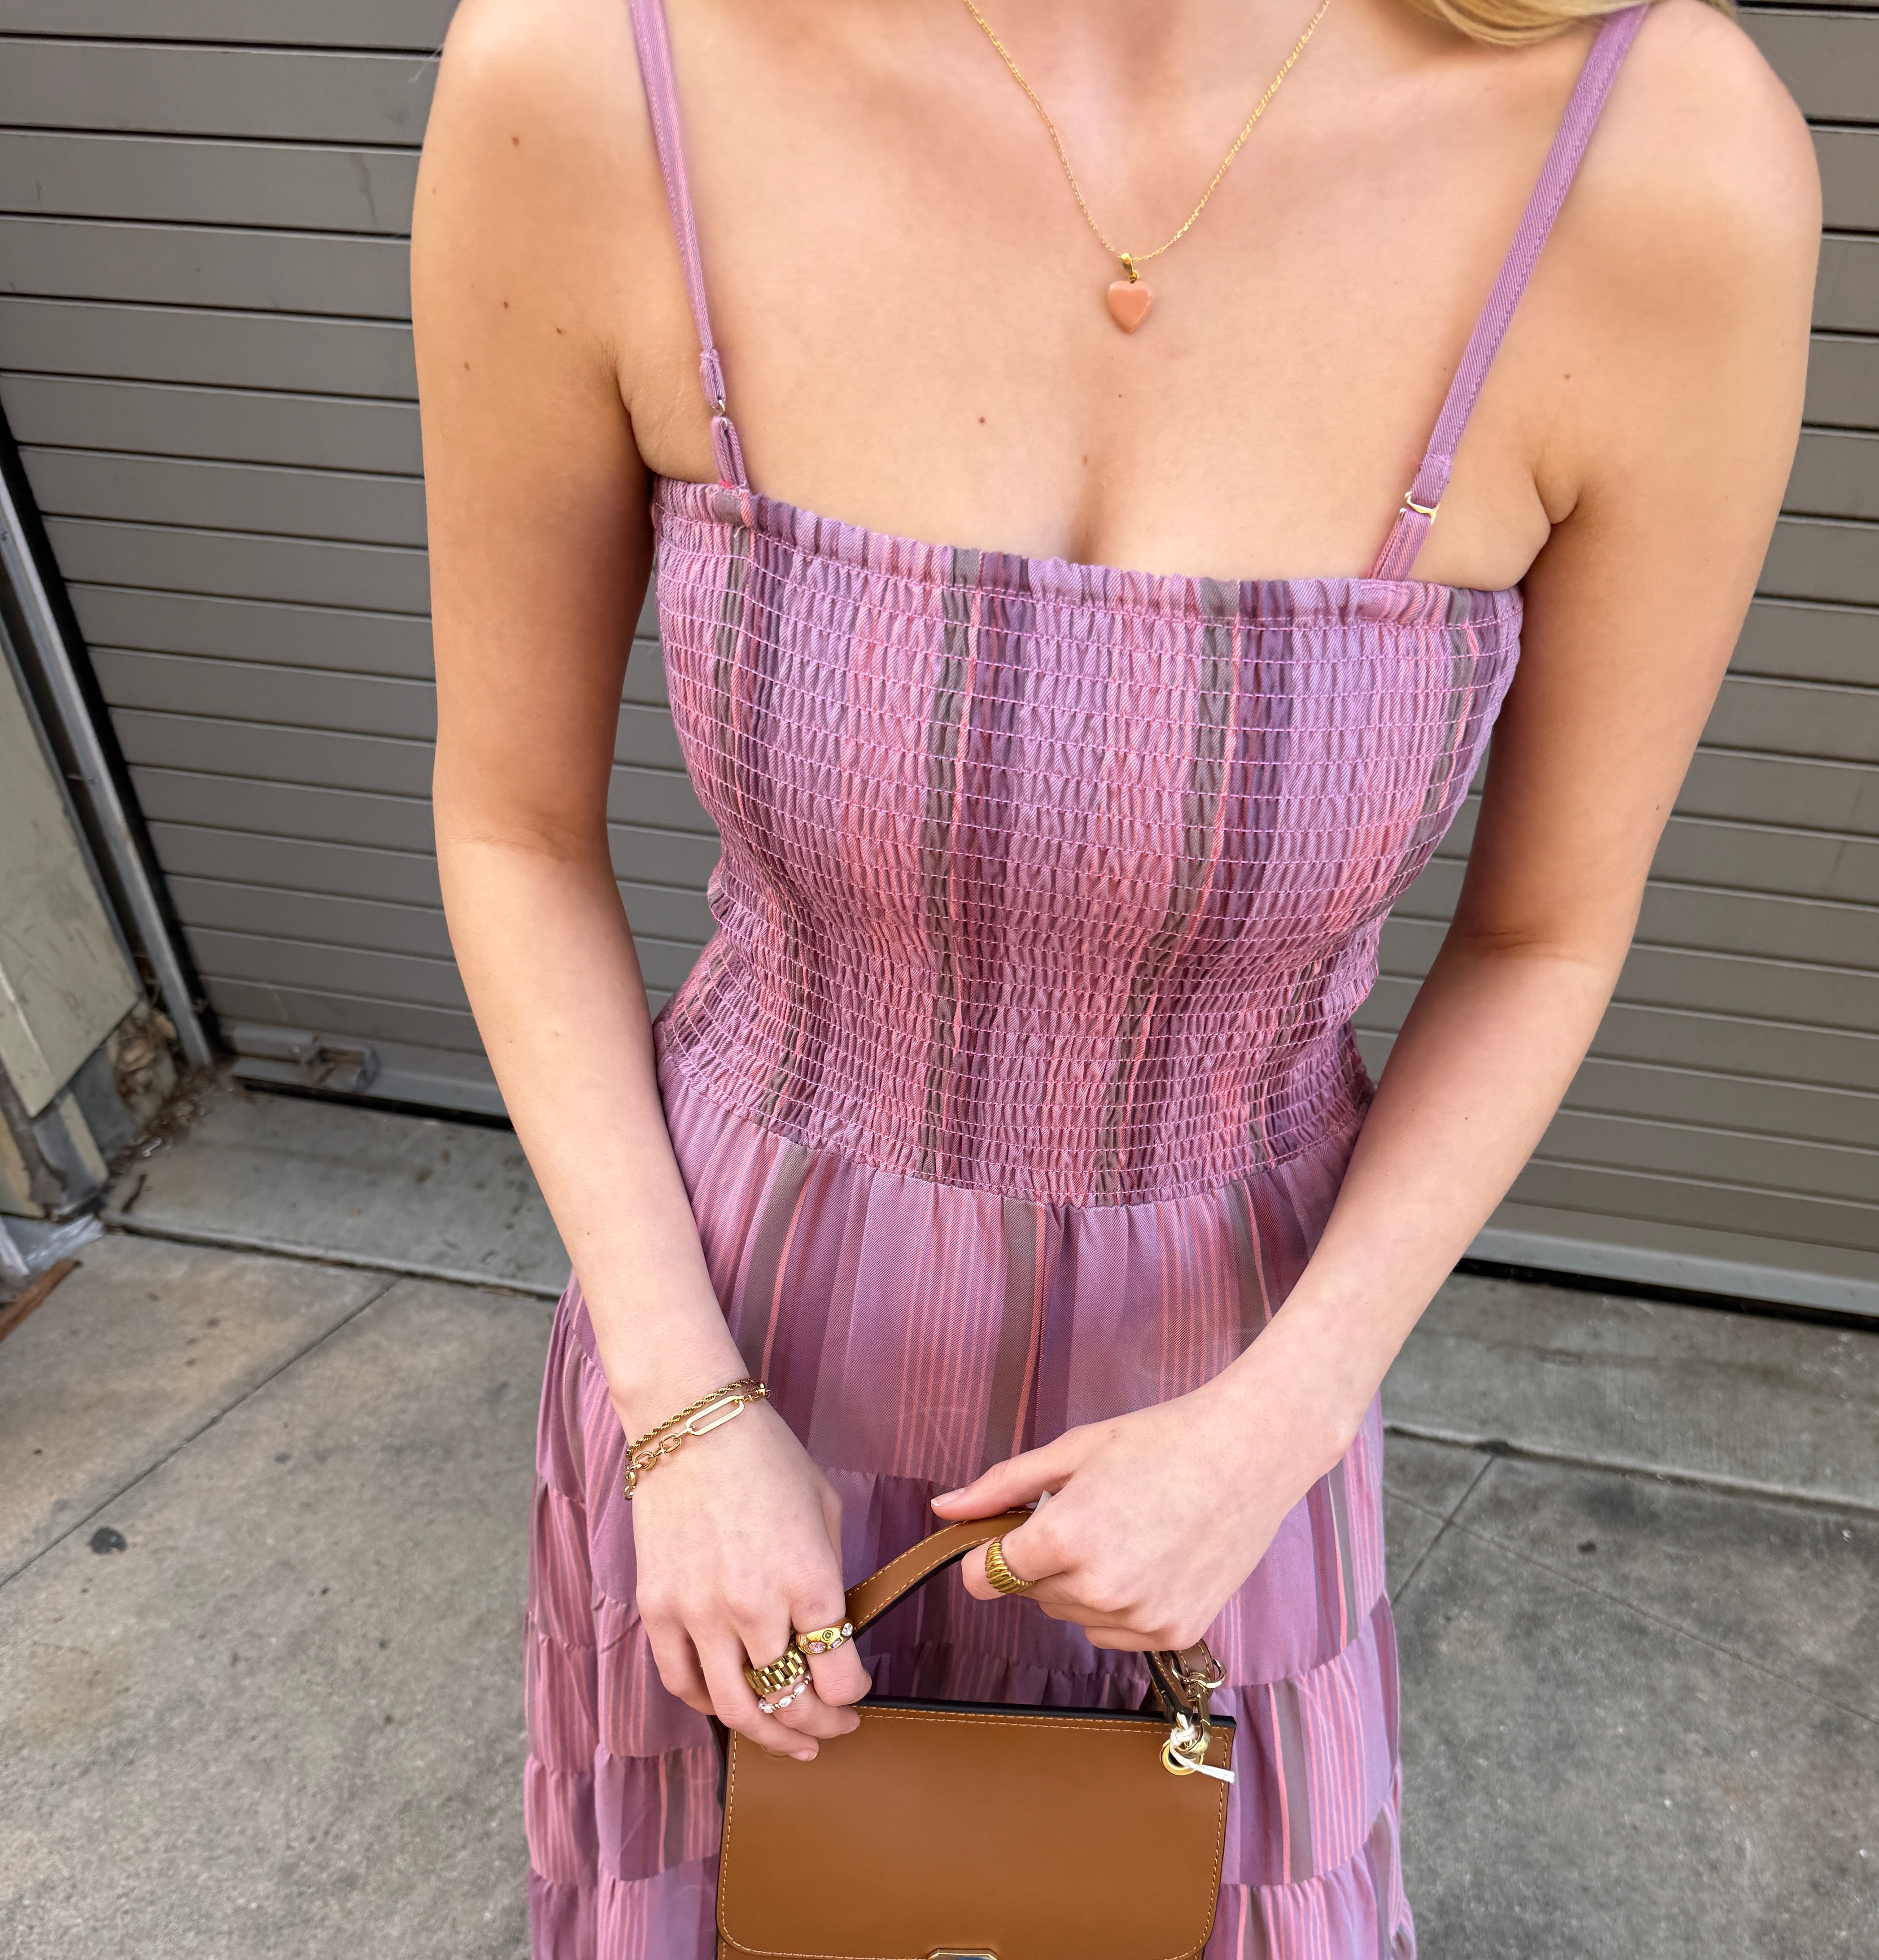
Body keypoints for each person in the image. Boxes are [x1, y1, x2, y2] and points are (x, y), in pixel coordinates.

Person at [411, 0, 1816, 1950]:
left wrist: (1280, 1421)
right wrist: (682, 1413)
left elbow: (1546, 930)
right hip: (724, 1338)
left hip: (1235, 1386)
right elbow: (513, 828)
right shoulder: (593, 67)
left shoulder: (1657, 154)